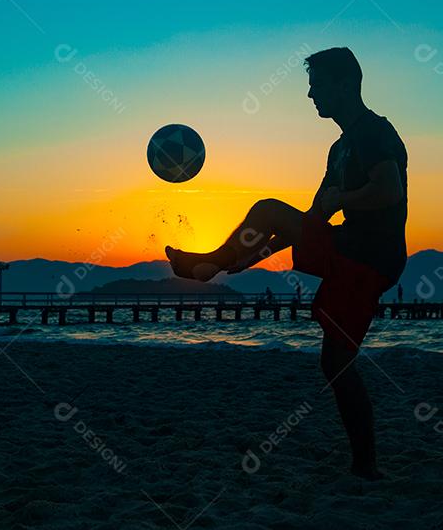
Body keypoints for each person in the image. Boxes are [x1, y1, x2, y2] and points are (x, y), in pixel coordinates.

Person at [165, 47, 407, 479]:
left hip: (370, 255)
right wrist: (250, 257)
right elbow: (310, 222)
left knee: (268, 208)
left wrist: (344, 200)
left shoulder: (375, 132)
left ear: (345, 84)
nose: (311, 95)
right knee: (335, 361)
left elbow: (390, 191)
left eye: (317, 85)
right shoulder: (339, 149)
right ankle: (365, 467)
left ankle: (208, 263)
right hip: (347, 249)